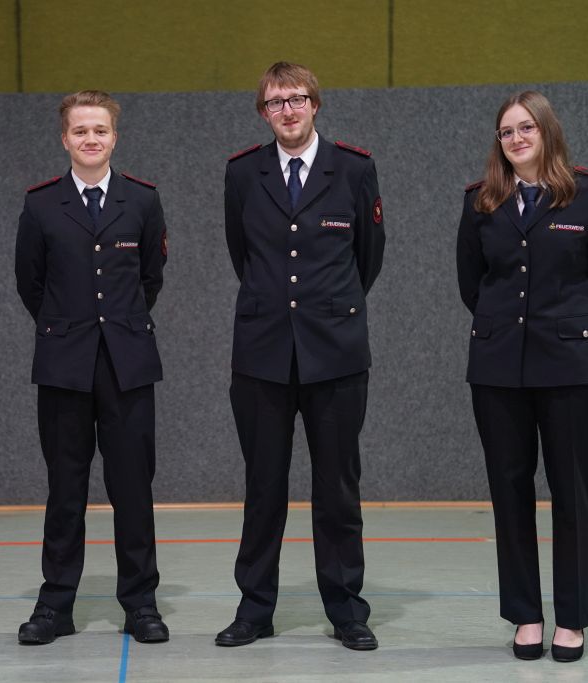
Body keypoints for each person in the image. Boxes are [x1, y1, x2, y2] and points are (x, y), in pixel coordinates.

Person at [456, 91, 588, 663]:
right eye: (506, 131)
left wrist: (572, 333)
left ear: (548, 131)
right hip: (499, 369)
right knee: (508, 492)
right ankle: (526, 615)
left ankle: (572, 618)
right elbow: (472, 283)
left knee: (571, 492)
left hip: (571, 369)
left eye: (526, 127)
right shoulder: (481, 201)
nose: (516, 139)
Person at [218, 62, 385, 650]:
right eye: (274, 102)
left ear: (315, 103)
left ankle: (346, 610)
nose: (286, 111)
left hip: (335, 354)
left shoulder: (355, 168)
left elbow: (368, 257)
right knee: (263, 487)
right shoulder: (244, 172)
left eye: (296, 99)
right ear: (263, 112)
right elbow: (242, 254)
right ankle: (254, 609)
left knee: (337, 488)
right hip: (262, 354)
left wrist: (325, 310)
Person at [14, 90, 169, 645]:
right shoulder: (40, 205)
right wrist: (69, 328)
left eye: (100, 130)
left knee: (133, 490)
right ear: (65, 139)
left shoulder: (142, 200)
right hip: (64, 366)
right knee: (65, 489)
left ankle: (141, 604)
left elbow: (150, 278)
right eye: (80, 130)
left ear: (114, 137)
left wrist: (116, 327)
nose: (90, 139)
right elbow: (30, 283)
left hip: (128, 365)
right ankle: (55, 606)